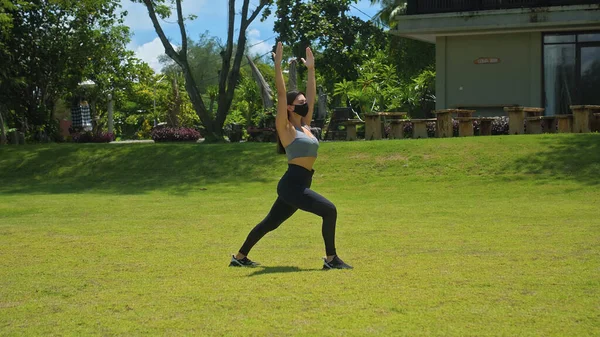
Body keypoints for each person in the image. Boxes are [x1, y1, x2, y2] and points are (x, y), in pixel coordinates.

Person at [230, 42, 353, 270]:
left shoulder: (306, 126)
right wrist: (277, 66)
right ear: (289, 108)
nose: (305, 105)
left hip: (301, 182)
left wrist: (312, 70)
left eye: (305, 103)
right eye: (300, 103)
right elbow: (280, 93)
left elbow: (312, 94)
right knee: (330, 210)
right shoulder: (286, 129)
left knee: (270, 223)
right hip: (292, 185)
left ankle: (239, 257)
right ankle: (331, 259)